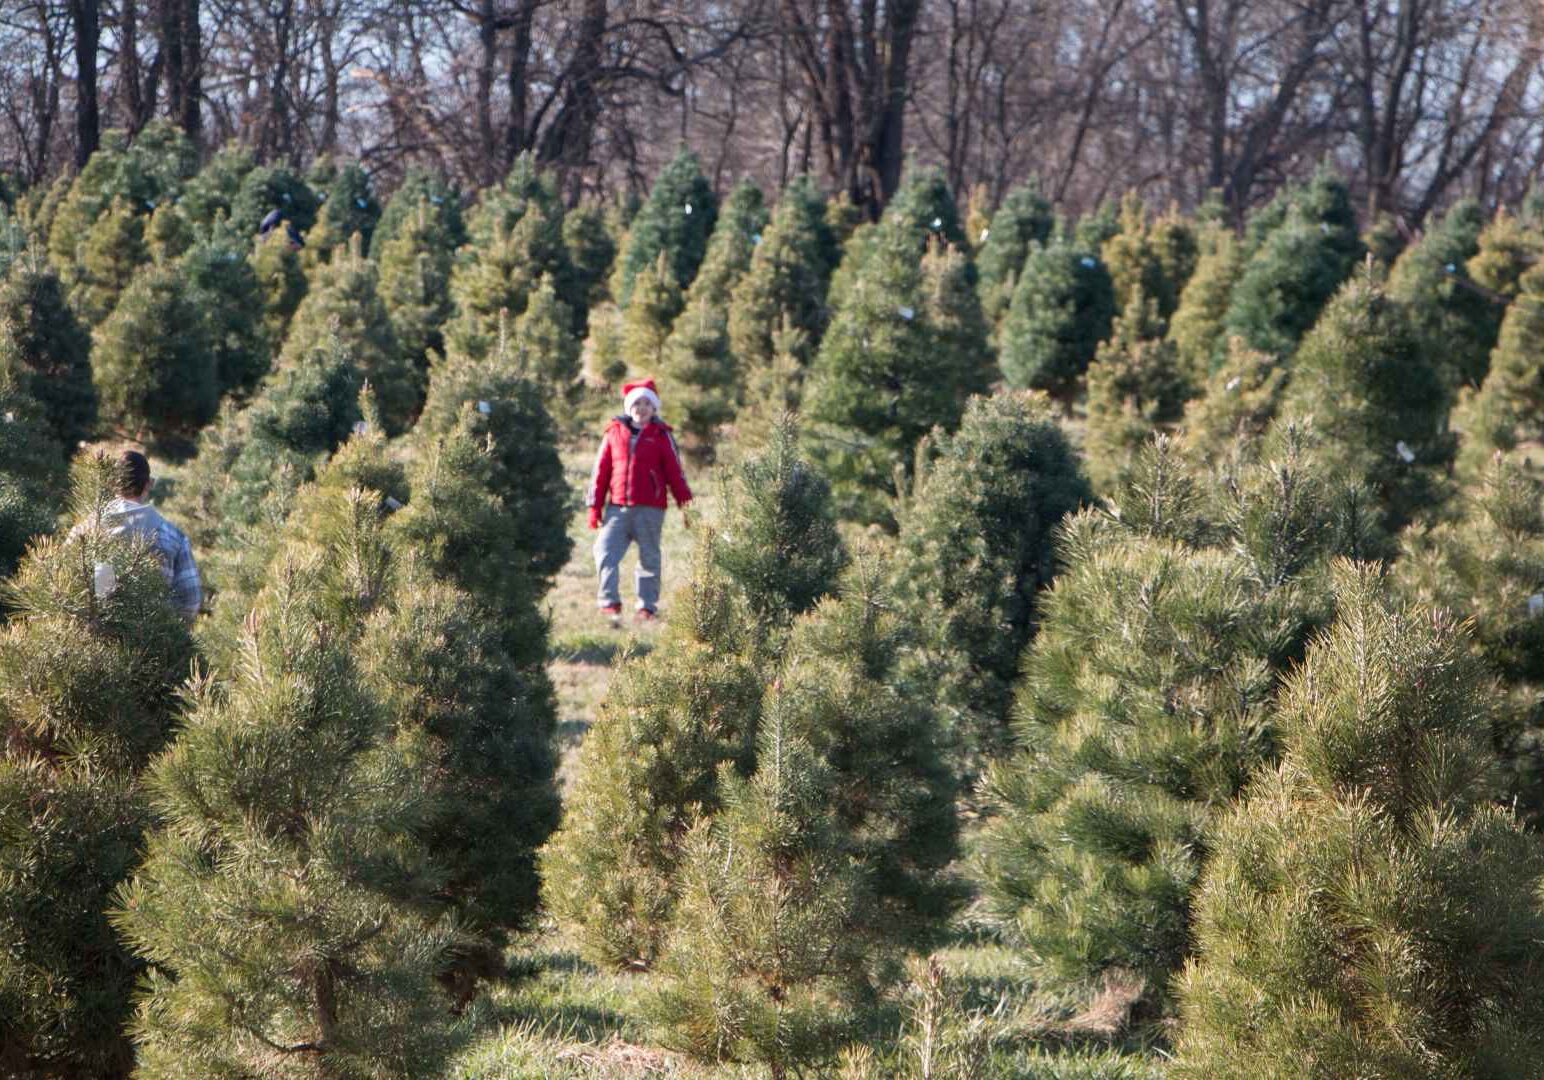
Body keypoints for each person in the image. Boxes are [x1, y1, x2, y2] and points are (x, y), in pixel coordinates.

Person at [587, 379, 692, 623]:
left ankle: (646, 607)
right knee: (604, 552)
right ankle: (609, 603)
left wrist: (687, 507)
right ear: (628, 406)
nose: (642, 407)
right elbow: (600, 471)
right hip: (618, 508)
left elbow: (676, 474)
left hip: (650, 509)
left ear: (654, 409)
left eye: (647, 403)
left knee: (649, 559)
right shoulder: (614, 433)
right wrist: (595, 506)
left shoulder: (662, 436)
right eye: (637, 402)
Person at [101, 449, 202, 622]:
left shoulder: (88, 530)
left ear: (111, 483)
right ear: (149, 484)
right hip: (152, 642)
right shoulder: (174, 537)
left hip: (94, 641)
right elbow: (190, 601)